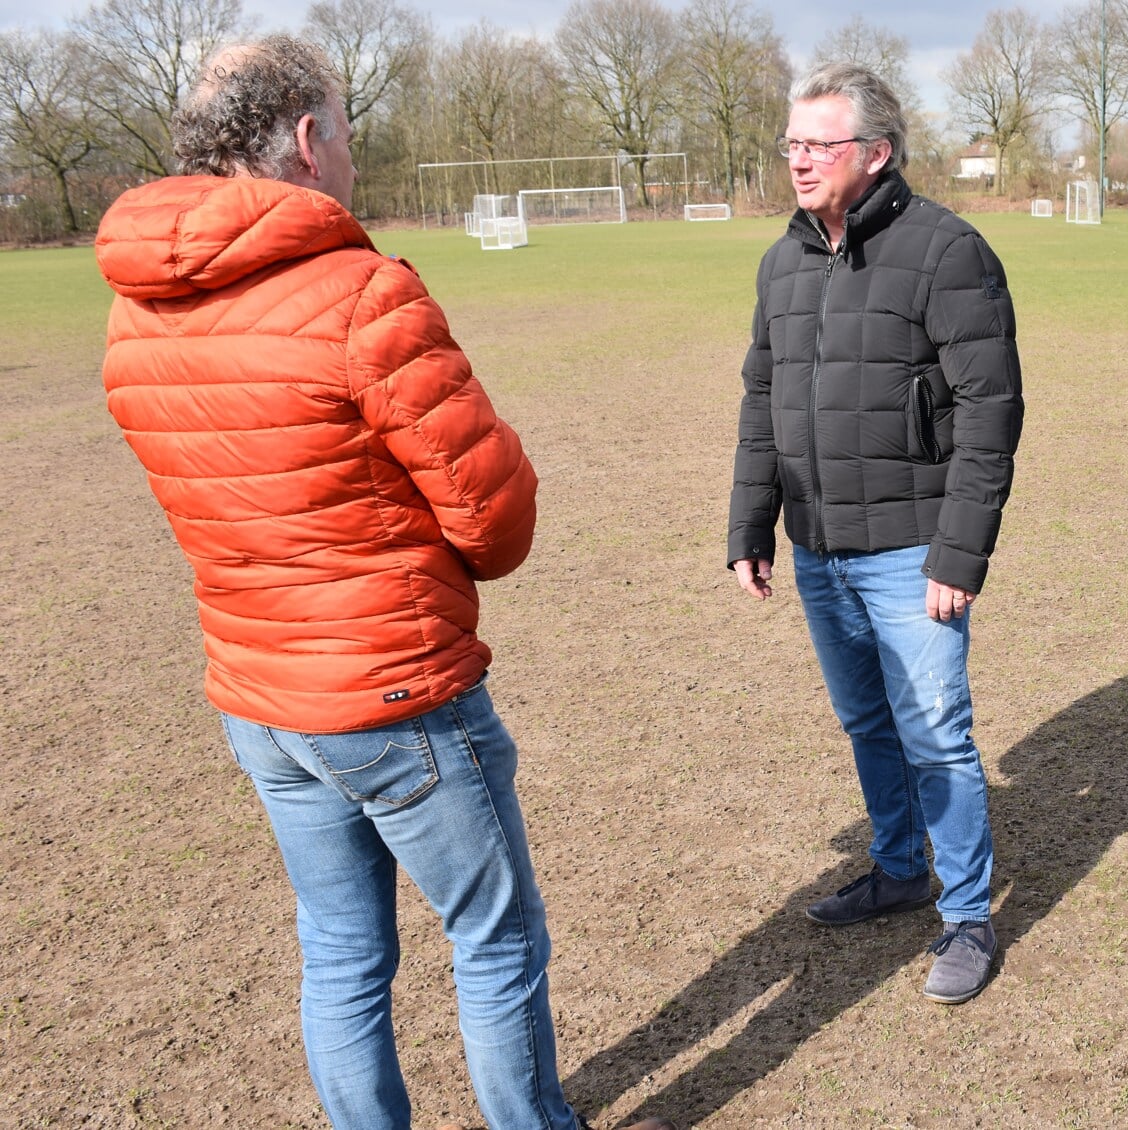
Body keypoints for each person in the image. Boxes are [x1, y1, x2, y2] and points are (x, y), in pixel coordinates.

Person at [94, 36, 670, 1130]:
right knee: (495, 933)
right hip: (392, 689)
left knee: (342, 951)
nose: (354, 161)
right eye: (348, 136)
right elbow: (494, 519)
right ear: (308, 142)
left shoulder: (134, 314)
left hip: (259, 694)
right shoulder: (360, 293)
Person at [727, 62, 1025, 1006]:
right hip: (819, 547)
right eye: (792, 143)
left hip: (912, 552)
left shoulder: (948, 251)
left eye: (819, 144)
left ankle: (967, 915)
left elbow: (991, 409)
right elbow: (764, 397)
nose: (799, 160)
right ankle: (898, 869)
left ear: (877, 153)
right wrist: (753, 522)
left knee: (937, 735)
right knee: (867, 723)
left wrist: (959, 551)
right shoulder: (781, 261)